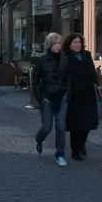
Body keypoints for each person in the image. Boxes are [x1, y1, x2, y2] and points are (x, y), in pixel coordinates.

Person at [33, 33, 68, 166]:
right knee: (47, 127)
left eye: (59, 42)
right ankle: (39, 139)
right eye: (56, 43)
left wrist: (66, 94)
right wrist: (41, 98)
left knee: (61, 126)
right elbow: (35, 80)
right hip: (47, 97)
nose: (58, 45)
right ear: (50, 44)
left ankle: (60, 154)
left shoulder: (65, 59)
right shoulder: (42, 60)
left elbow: (69, 79)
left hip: (61, 96)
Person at [62, 33, 99, 161]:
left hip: (88, 93)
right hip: (74, 95)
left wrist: (96, 84)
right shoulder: (66, 57)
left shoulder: (86, 55)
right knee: (76, 125)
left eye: (79, 42)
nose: (77, 45)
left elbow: (93, 73)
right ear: (69, 45)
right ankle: (75, 150)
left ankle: (82, 144)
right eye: (75, 43)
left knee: (88, 123)